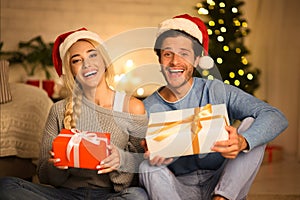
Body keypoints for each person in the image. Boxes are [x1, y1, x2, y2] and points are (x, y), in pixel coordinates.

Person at [139, 14, 288, 200]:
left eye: (184, 53)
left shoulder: (217, 91)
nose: (175, 62)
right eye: (168, 54)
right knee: (147, 167)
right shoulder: (147, 108)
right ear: (160, 60)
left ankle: (221, 198)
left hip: (222, 183)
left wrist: (243, 141)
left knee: (252, 123)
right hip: (177, 189)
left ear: (197, 59)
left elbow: (275, 116)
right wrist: (143, 150)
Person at [0, 28, 149, 200]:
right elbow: (44, 175)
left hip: (109, 196)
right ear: (70, 71)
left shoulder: (133, 108)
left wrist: (120, 160)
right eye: (77, 60)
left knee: (137, 196)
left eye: (92, 55)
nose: (87, 64)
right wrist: (58, 164)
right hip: (64, 195)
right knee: (6, 186)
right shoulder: (59, 110)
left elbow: (141, 171)